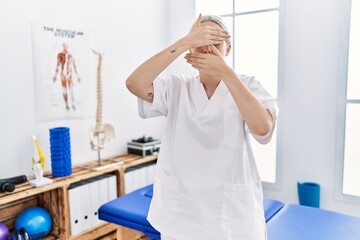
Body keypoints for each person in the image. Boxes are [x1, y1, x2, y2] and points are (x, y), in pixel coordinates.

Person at [126, 14, 278, 240]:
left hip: (231, 217)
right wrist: (184, 42)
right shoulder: (177, 88)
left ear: (229, 48)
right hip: (183, 216)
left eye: (215, 42)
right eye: (199, 43)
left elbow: (263, 128)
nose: (207, 50)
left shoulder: (247, 85)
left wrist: (226, 72)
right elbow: (134, 83)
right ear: (189, 51)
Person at [53, 43, 81, 111]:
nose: (66, 47)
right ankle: (66, 105)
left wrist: (77, 76)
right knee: (64, 90)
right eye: (65, 46)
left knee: (71, 90)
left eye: (67, 46)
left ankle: (73, 104)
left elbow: (74, 66)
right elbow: (58, 65)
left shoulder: (70, 55)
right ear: (63, 46)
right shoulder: (60, 55)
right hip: (63, 75)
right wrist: (55, 76)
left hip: (69, 75)